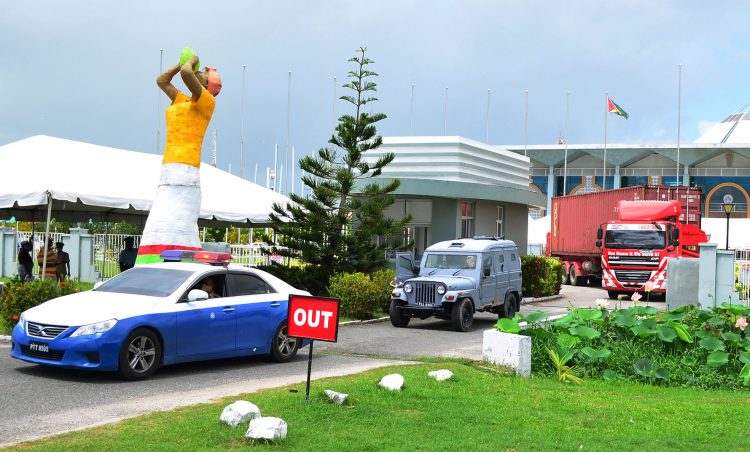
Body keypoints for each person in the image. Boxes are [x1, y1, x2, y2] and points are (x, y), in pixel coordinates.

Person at [135, 50, 221, 264]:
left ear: (207, 85)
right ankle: (161, 263)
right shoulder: (183, 100)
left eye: (202, 73)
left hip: (185, 172)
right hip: (170, 171)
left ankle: (172, 263)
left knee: (168, 223)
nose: (198, 72)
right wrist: (179, 63)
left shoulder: (206, 102)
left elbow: (185, 73)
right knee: (159, 223)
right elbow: (162, 81)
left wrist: (191, 60)